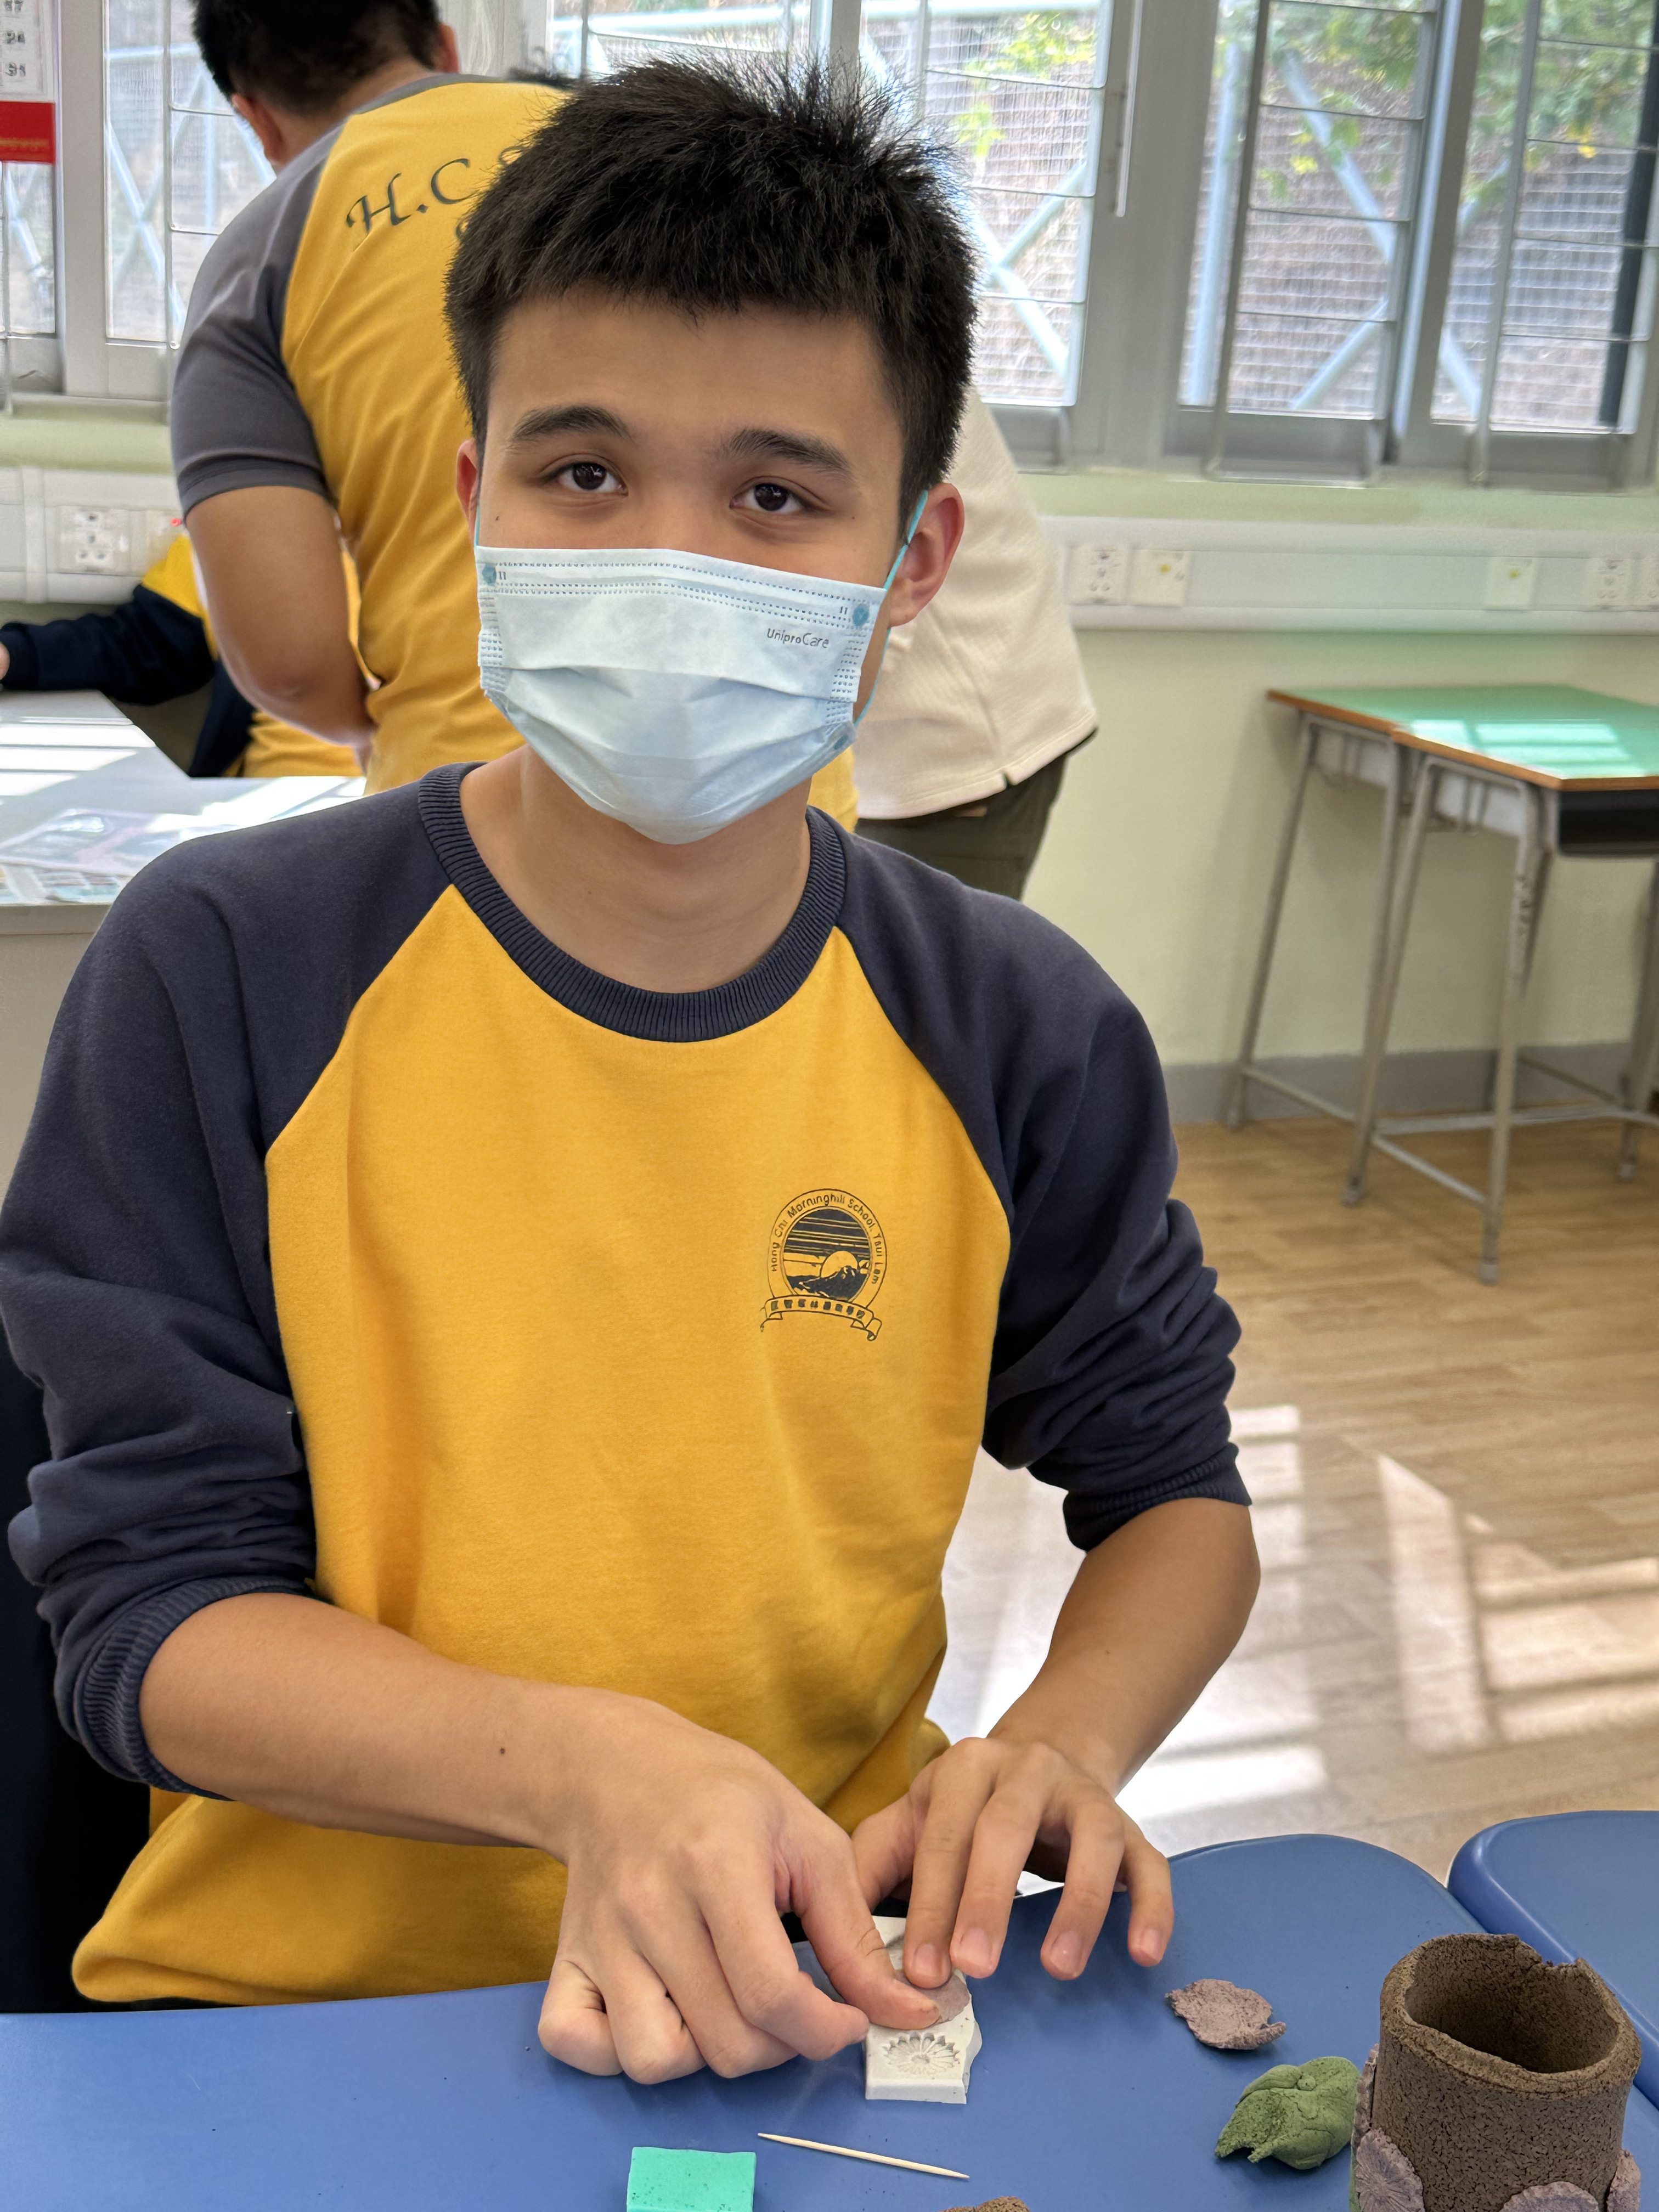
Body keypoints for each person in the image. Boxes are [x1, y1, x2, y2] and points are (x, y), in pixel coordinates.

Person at [1, 61, 1257, 2070]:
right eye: (582, 474)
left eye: (776, 496)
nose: (672, 557)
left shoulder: (1014, 1028)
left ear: (913, 559)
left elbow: (1175, 1494)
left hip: (804, 1987)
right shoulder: (225, 973)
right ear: (470, 498)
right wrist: (591, 1770)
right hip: (299, 2021)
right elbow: (144, 1619)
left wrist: (1054, 1744)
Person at [171, 0, 858, 831]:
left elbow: (285, 660)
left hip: (461, 813)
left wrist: (378, 725)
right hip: (772, 810)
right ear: (445, 46)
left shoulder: (260, 261)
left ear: (255, 118)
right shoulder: (678, 160)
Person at [855, 392, 1096, 899]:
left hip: (962, 748)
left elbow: (870, 623)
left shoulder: (864, 367)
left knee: (914, 945)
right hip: (882, 740)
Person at [0, 533, 359, 779]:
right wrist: (14, 654)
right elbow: (143, 648)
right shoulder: (228, 524)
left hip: (383, 803)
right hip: (265, 807)